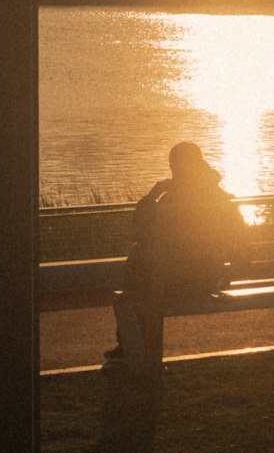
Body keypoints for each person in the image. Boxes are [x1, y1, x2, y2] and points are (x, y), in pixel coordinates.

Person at [103, 142, 248, 379]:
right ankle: (131, 348)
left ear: (176, 166)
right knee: (141, 273)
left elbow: (139, 231)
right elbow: (240, 236)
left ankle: (129, 347)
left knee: (136, 275)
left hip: (173, 283)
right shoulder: (218, 195)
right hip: (207, 280)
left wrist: (153, 194)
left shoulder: (171, 200)